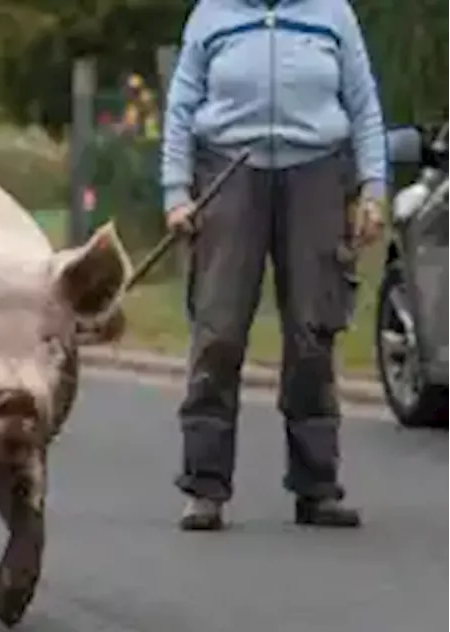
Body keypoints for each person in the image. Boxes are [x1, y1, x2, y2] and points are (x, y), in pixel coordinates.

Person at [160, 0, 387, 530]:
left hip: (316, 173)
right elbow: (180, 107)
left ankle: (316, 485)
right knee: (218, 331)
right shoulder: (211, 14)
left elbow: (363, 103)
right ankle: (205, 485)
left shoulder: (333, 13)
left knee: (313, 330)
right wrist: (176, 192)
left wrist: (373, 189)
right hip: (229, 171)